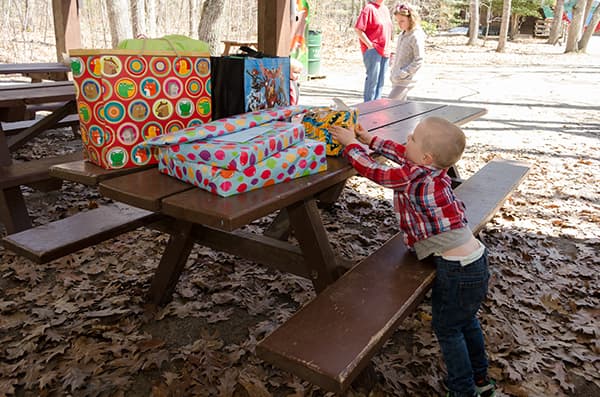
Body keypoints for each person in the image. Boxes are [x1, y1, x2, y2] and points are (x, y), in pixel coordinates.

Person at [329, 118, 496, 397]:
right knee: (467, 322)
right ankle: (481, 380)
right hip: (473, 261)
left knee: (448, 329)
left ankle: (462, 391)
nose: (408, 138)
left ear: (426, 157)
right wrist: (370, 139)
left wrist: (351, 146)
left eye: (413, 138)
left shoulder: (413, 176)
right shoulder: (430, 169)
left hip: (457, 271)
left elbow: (375, 171)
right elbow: (400, 151)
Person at [354, 0, 394, 102]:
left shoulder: (385, 9)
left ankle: (376, 105)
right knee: (373, 80)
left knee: (381, 81)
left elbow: (388, 30)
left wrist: (390, 47)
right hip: (373, 50)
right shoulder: (369, 8)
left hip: (385, 50)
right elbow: (358, 29)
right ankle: (368, 106)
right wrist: (370, 45)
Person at [388, 3, 425, 101]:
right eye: (397, 21)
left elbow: (419, 59)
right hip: (396, 79)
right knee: (400, 111)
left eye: (402, 21)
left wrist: (404, 72)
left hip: (406, 81)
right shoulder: (402, 34)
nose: (399, 24)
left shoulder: (416, 35)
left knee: (390, 104)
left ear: (411, 19)